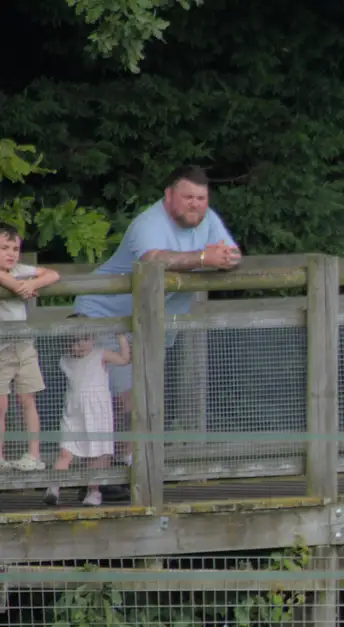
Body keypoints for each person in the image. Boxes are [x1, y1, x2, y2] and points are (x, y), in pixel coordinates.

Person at [74, 164, 242, 477]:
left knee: (145, 398)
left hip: (151, 321)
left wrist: (224, 258)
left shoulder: (209, 220)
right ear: (169, 195)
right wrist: (204, 258)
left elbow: (232, 255)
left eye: (201, 198)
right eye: (187, 196)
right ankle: (101, 477)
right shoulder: (148, 223)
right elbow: (153, 261)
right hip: (107, 315)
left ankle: (130, 470)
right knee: (120, 400)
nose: (195, 204)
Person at [46, 320, 130, 507]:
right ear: (66, 343)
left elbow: (124, 359)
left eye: (84, 339)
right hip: (75, 410)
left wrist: (120, 336)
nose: (79, 345)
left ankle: (94, 492)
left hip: (97, 412)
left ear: (93, 338)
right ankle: (54, 486)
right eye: (73, 341)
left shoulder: (100, 354)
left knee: (97, 454)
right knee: (66, 452)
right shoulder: (66, 359)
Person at [0, 224, 62, 472]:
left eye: (15, 249)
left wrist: (31, 284)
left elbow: (53, 275)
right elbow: (11, 283)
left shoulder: (19, 270)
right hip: (1, 348)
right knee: (1, 405)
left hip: (23, 344)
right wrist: (18, 286)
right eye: (4, 248)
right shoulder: (11, 274)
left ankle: (33, 456)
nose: (11, 253)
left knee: (28, 398)